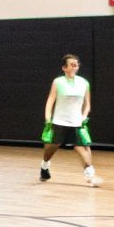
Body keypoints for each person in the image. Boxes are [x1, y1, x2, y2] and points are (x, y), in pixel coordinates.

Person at [40, 54, 99, 186]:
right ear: (64, 68)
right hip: (59, 122)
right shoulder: (58, 82)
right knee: (51, 148)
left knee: (84, 147)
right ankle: (44, 166)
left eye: (76, 64)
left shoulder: (84, 83)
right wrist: (48, 117)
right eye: (72, 64)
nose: (75, 66)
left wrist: (84, 116)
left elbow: (87, 103)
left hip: (77, 122)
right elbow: (51, 100)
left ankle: (90, 175)